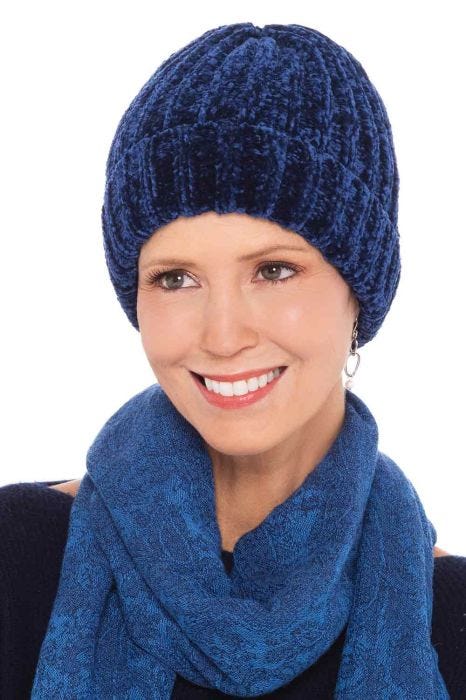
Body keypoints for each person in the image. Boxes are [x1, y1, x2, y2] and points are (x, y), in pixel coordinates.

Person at [0, 21, 464, 699]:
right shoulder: (19, 557)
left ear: (360, 289)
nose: (221, 336)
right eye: (175, 278)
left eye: (274, 270)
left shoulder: (450, 617)